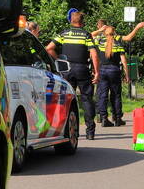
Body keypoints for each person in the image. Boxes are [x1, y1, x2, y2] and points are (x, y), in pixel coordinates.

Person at [46, 11, 100, 140]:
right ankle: (90, 131)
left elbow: (49, 48)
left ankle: (67, 131)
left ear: (71, 21)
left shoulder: (64, 34)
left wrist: (59, 59)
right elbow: (94, 54)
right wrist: (97, 72)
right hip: (82, 69)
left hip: (67, 70)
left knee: (66, 100)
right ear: (82, 22)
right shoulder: (86, 35)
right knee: (87, 99)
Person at [94, 26, 129, 127]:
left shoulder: (100, 42)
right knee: (116, 95)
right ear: (114, 33)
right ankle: (117, 118)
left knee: (103, 95)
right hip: (114, 71)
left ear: (105, 33)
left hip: (102, 71)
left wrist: (99, 30)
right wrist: (127, 75)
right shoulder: (118, 44)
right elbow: (123, 61)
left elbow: (91, 35)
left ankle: (104, 118)